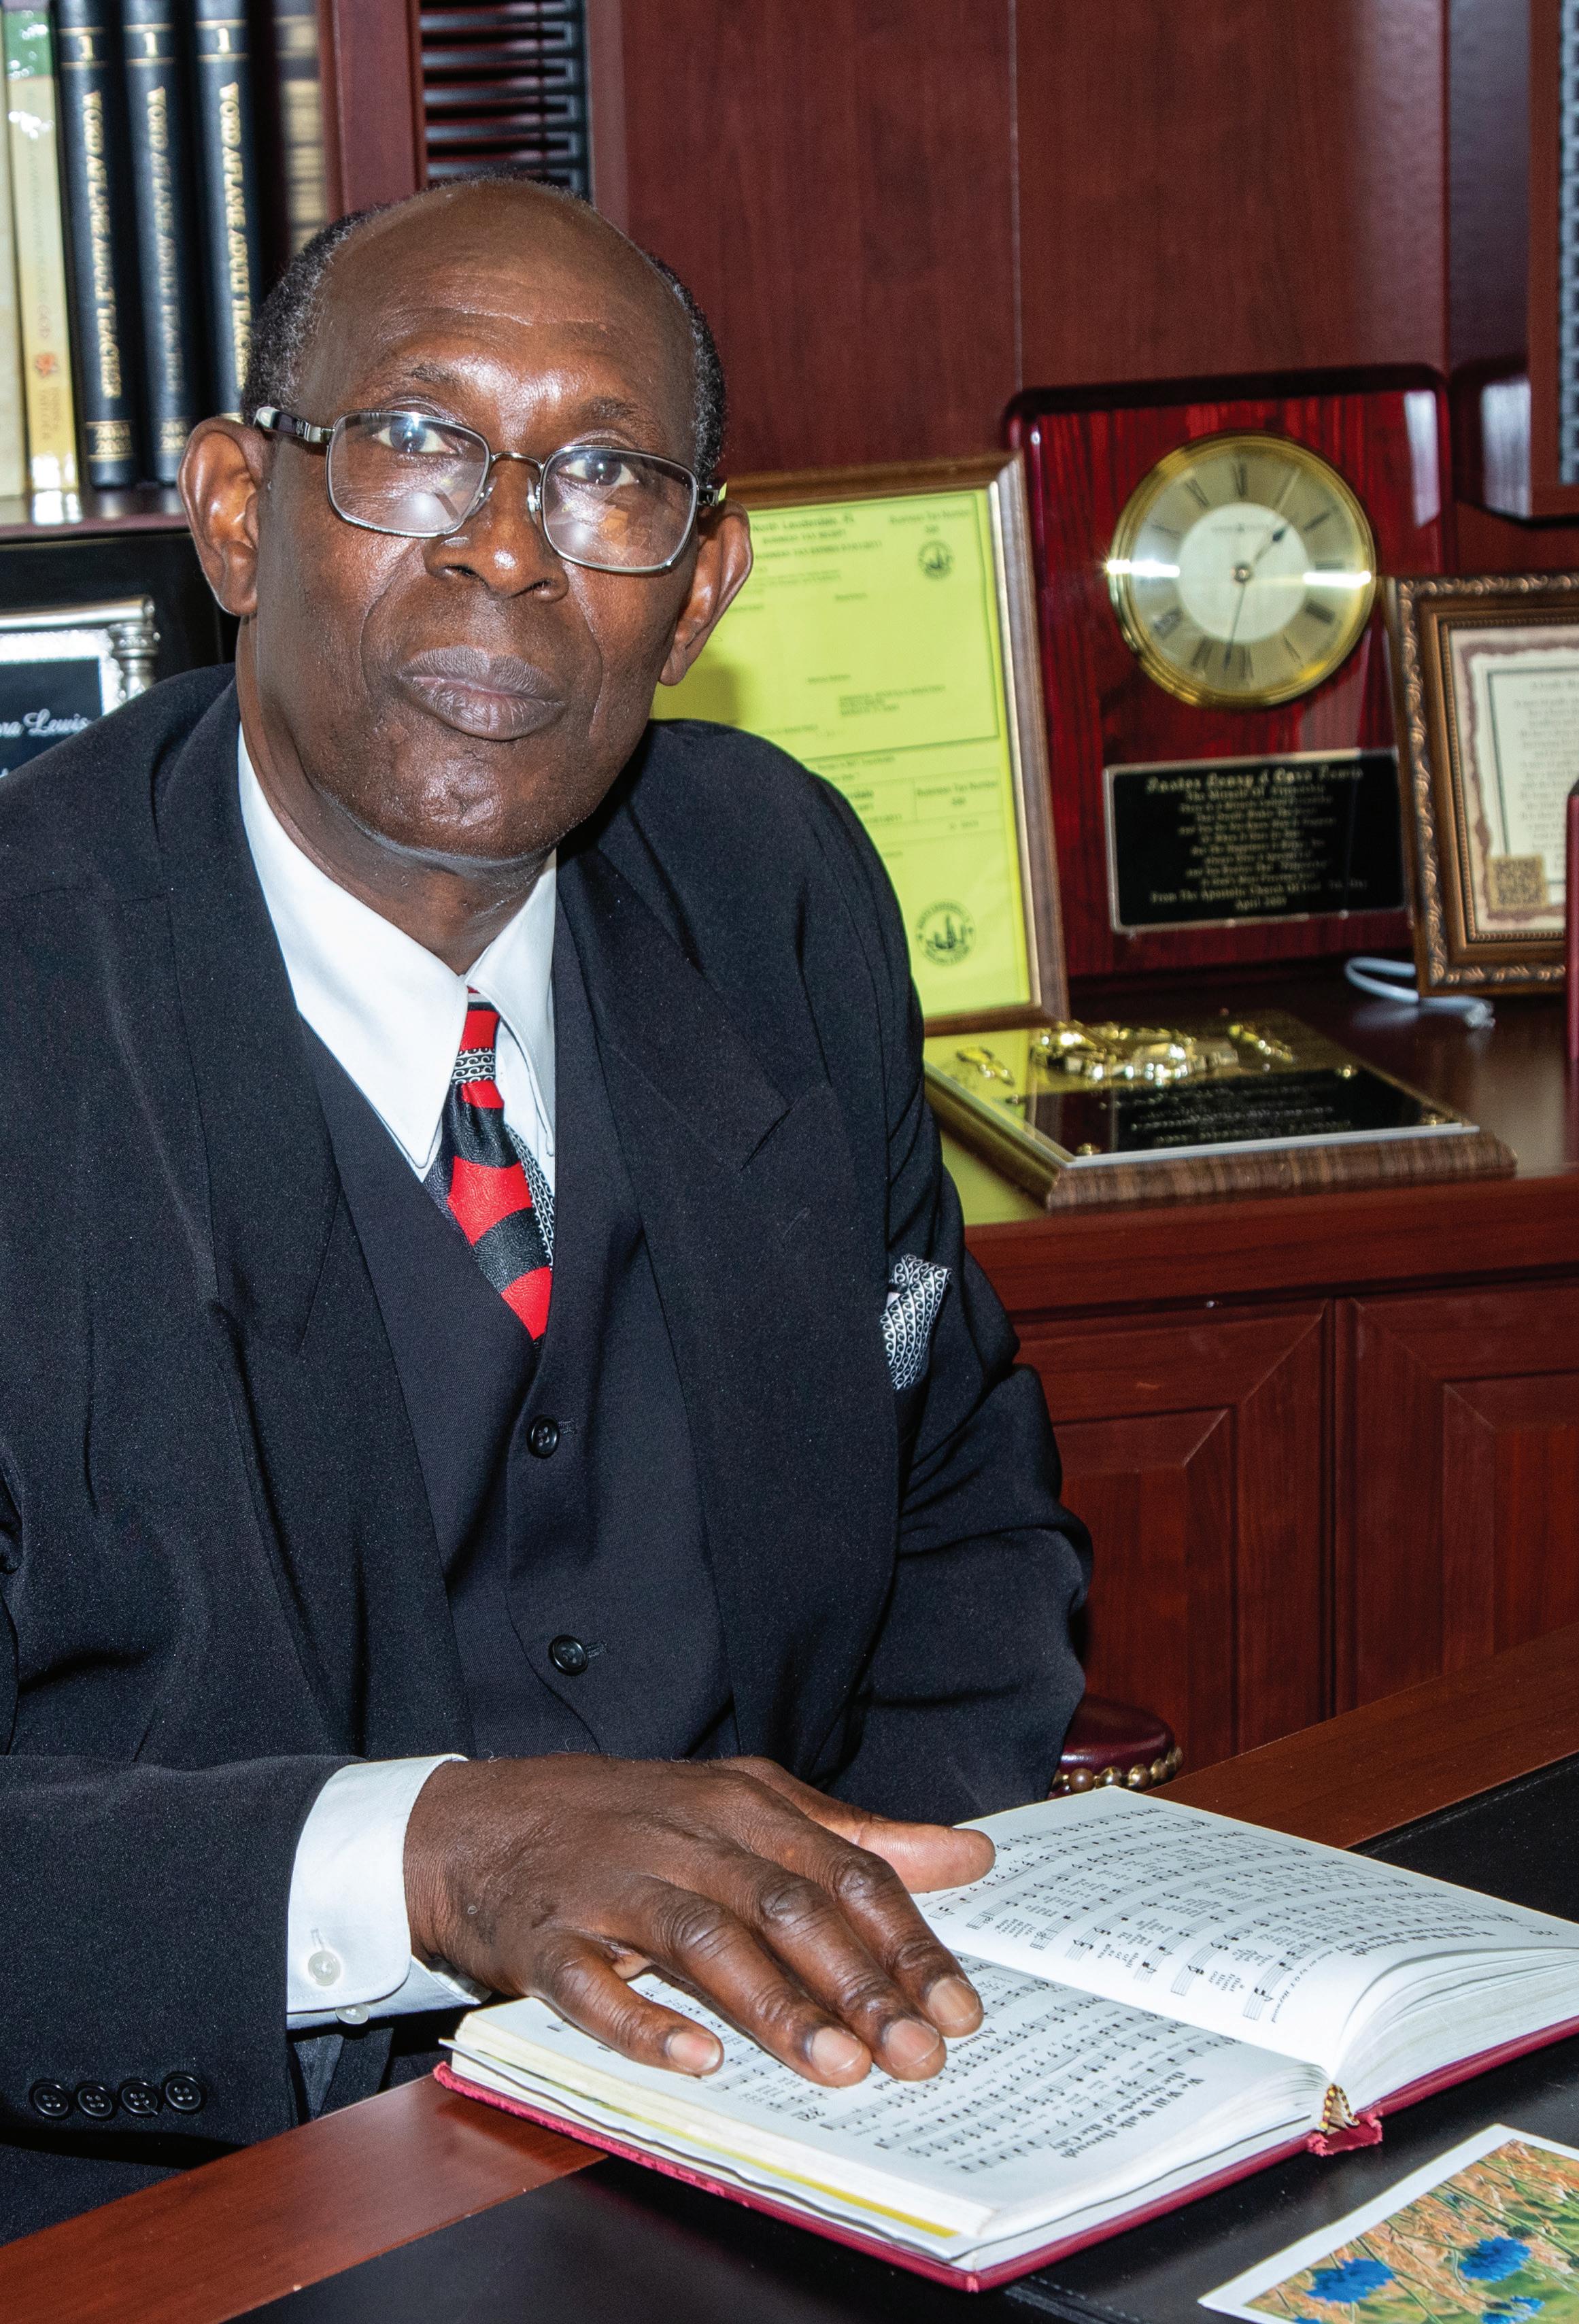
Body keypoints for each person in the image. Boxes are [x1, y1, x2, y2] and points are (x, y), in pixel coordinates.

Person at [0, 177, 1088, 2242]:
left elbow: (963, 1502)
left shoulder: (772, 883)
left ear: (696, 594)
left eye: (604, 477)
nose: (507, 548)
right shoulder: (35, 990)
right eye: (417, 442)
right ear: (234, 513)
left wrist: (886, 1951)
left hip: (791, 2123)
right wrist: (435, 1857)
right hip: (195, 2205)